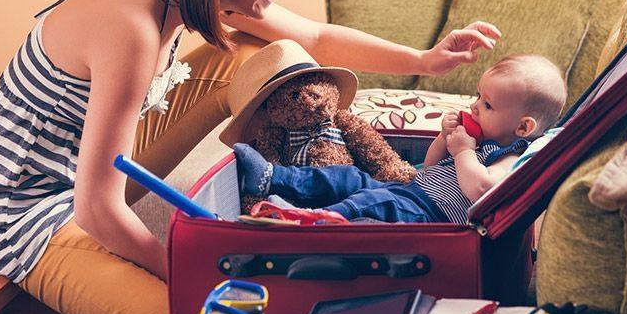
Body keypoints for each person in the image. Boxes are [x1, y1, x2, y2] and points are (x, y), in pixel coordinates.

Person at [0, 0, 499, 314]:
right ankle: (258, 205)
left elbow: (312, 36)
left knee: (256, 51)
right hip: (23, 211)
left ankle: (284, 175)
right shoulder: (129, 28)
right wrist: (202, 267)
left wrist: (425, 61)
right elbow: (97, 210)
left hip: (84, 168)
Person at [234, 55, 567, 224]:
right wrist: (443, 138)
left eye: (488, 105)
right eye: (478, 96)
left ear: (523, 128)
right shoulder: (476, 140)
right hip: (411, 191)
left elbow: (482, 189)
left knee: (369, 205)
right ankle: (274, 176)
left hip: (428, 216)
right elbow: (431, 167)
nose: (475, 107)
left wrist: (464, 152)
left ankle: (304, 221)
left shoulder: (510, 155)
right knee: (350, 178)